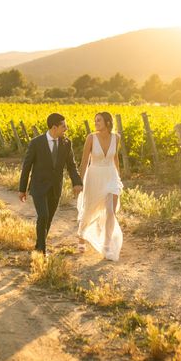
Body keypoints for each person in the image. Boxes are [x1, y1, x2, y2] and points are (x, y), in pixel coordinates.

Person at [19, 113, 83, 255]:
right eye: (64, 126)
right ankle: (41, 251)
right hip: (39, 187)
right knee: (43, 216)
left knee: (48, 219)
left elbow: (71, 166)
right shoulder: (36, 143)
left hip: (55, 188)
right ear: (54, 127)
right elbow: (27, 166)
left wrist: (77, 182)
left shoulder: (67, 143)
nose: (66, 129)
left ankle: (38, 245)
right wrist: (22, 189)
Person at [76, 112, 124, 261]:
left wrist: (119, 178)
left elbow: (115, 158)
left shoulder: (116, 138)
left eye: (99, 120)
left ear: (107, 122)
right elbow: (84, 161)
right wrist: (79, 182)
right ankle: (81, 237)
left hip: (111, 176)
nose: (96, 123)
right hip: (94, 177)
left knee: (110, 211)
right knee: (90, 209)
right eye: (95, 120)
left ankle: (107, 244)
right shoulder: (91, 138)